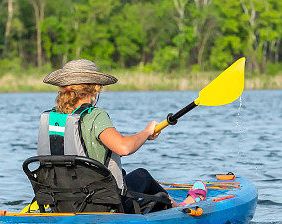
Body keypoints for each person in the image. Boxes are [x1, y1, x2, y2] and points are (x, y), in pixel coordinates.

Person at [39, 59, 206, 213]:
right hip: (100, 204)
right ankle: (179, 209)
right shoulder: (94, 116)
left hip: (62, 202)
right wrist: (147, 132)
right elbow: (124, 147)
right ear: (95, 88)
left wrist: (142, 136)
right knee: (142, 175)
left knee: (123, 174)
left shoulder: (52, 118)